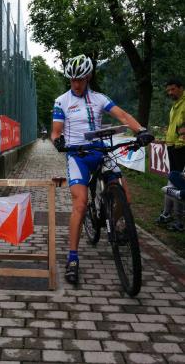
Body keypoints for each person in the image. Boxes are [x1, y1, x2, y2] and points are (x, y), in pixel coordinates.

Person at [51, 54, 154, 284]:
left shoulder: (98, 98)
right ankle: (73, 257)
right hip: (77, 155)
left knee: (125, 195)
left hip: (100, 151)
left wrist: (141, 130)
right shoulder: (62, 100)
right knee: (80, 203)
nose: (76, 84)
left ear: (88, 77)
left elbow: (123, 115)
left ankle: (112, 219)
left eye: (80, 79)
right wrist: (57, 141)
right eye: (72, 80)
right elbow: (56, 131)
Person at [156, 79, 185, 231]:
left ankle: (179, 220)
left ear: (181, 88)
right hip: (172, 145)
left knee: (179, 181)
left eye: (173, 89)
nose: (170, 93)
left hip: (181, 148)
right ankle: (168, 214)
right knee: (173, 180)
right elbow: (175, 126)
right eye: (168, 90)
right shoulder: (176, 104)